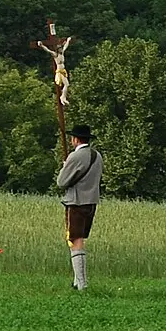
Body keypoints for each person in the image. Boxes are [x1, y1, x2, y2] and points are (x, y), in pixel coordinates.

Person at [55, 124, 103, 292]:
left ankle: (81, 283)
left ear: (75, 139)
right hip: (91, 202)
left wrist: (65, 166)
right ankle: (77, 281)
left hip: (76, 202)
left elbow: (61, 182)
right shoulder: (97, 156)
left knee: (75, 240)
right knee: (79, 238)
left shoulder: (75, 157)